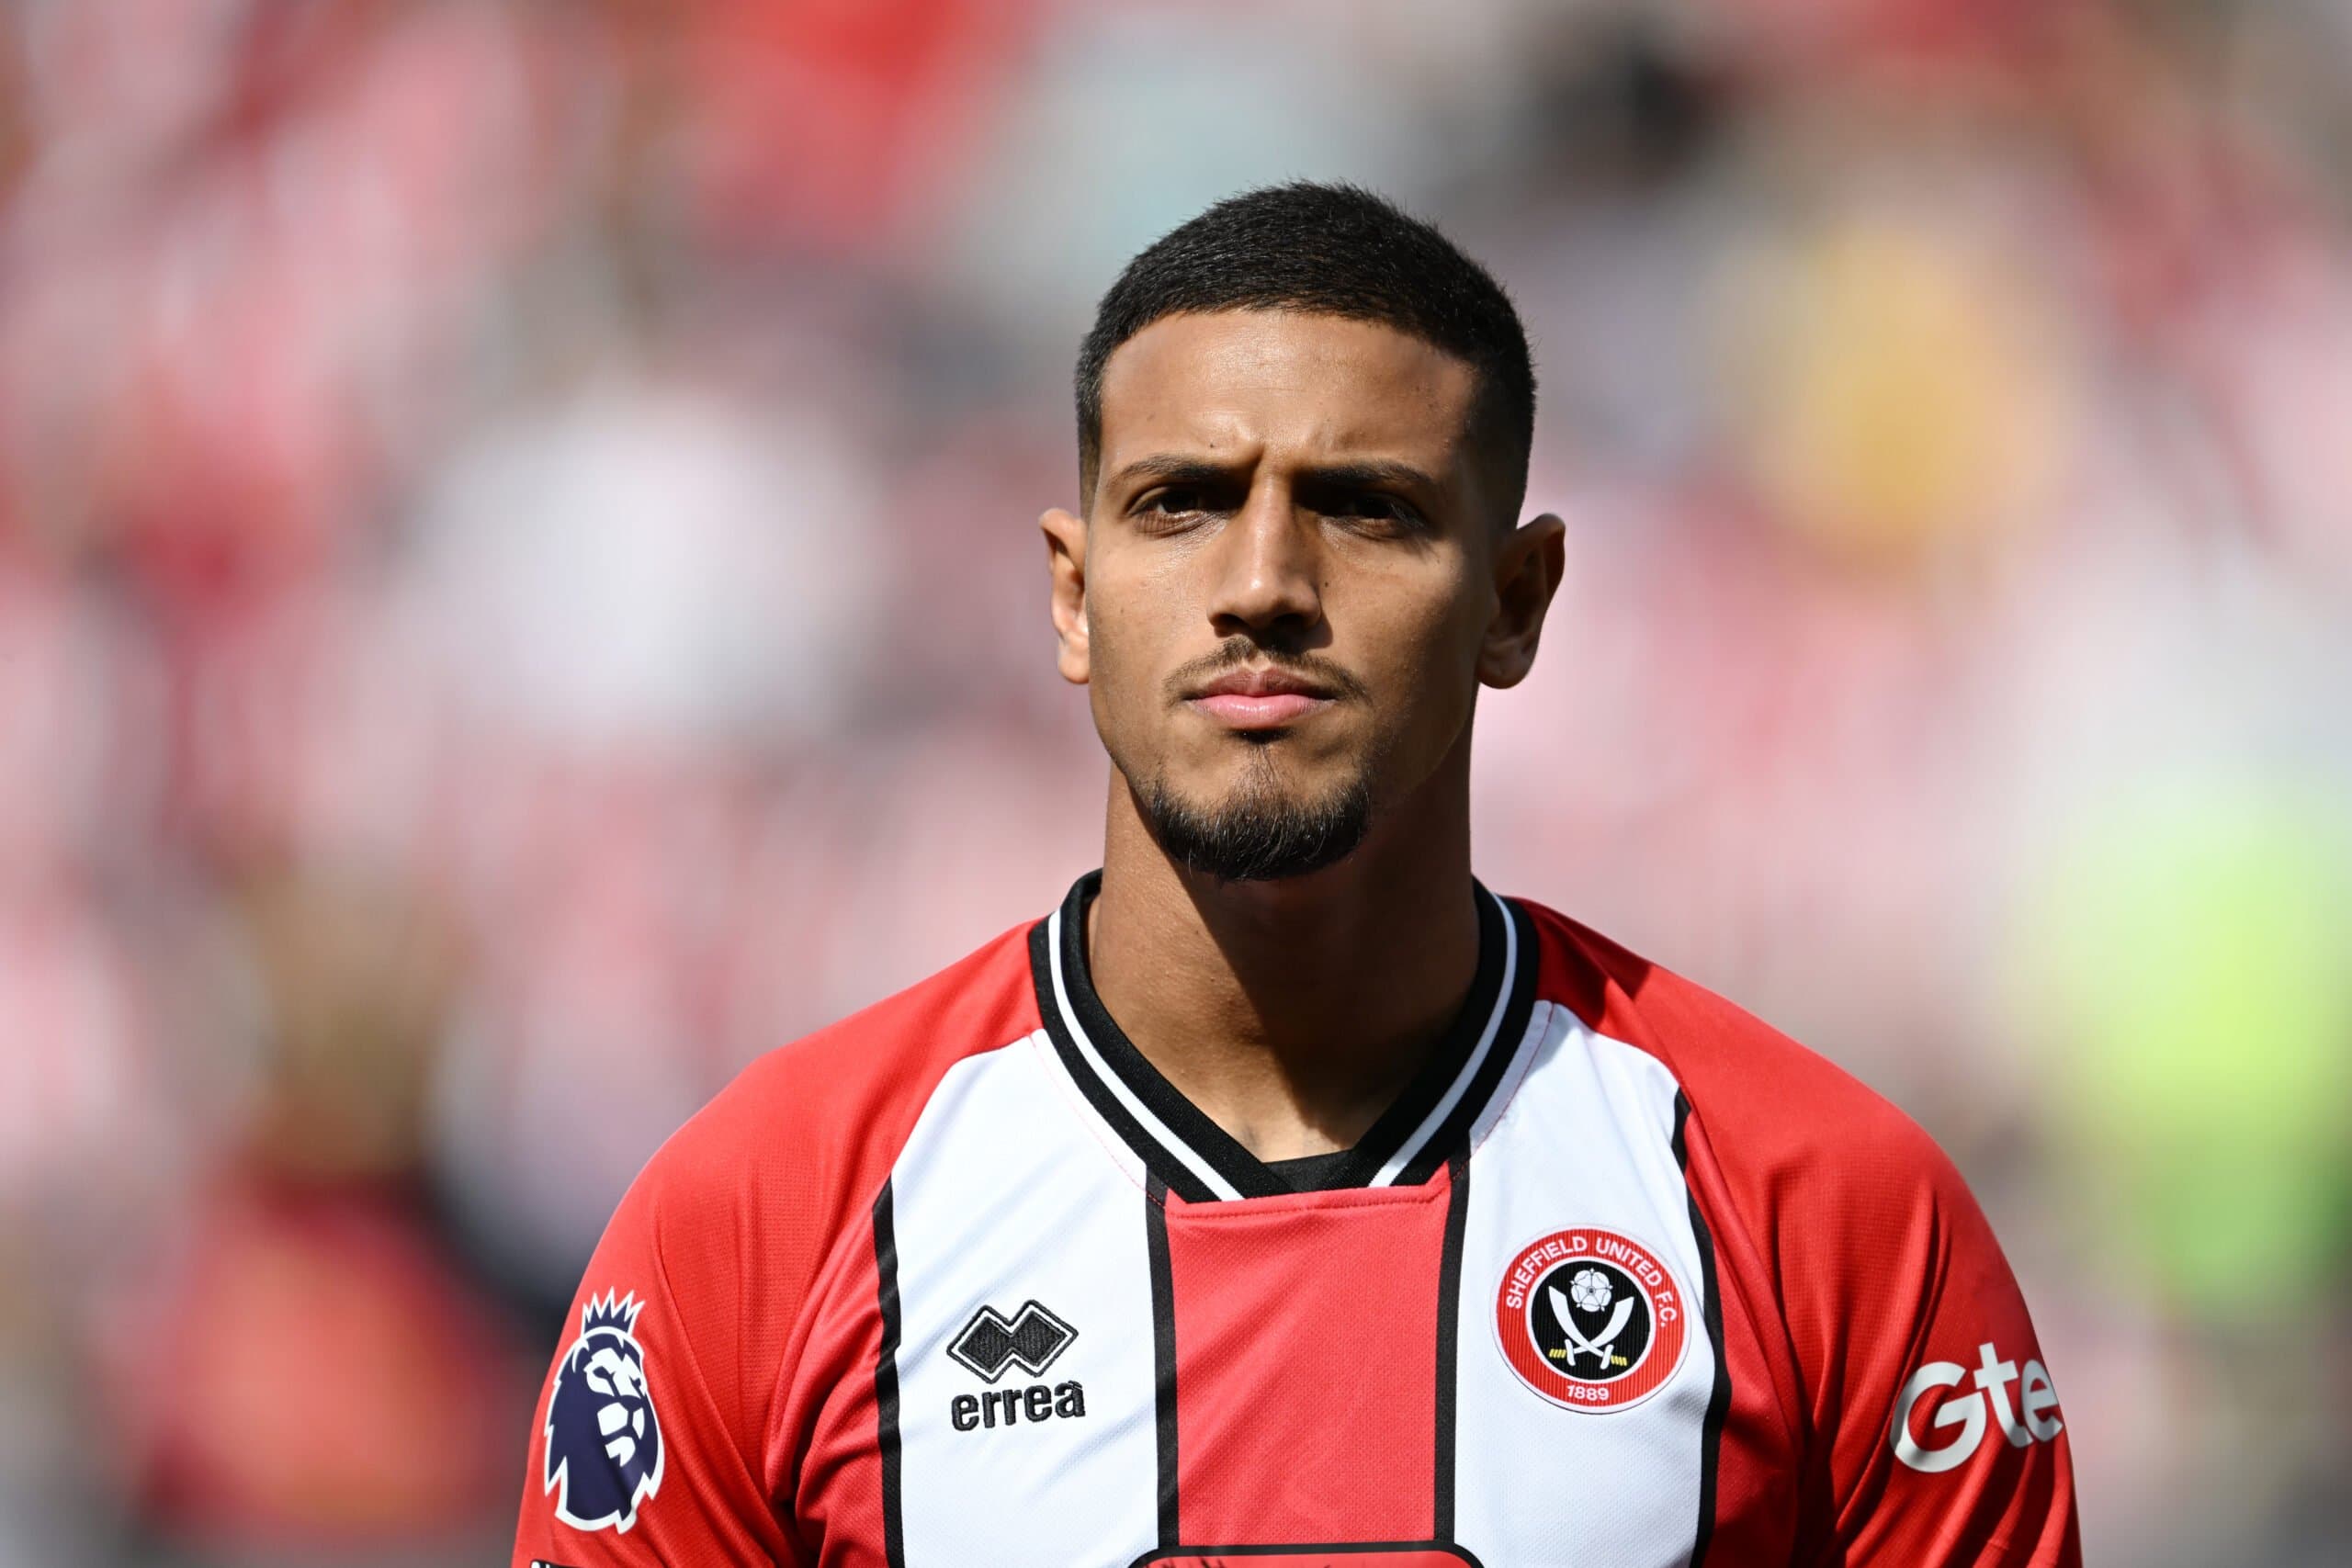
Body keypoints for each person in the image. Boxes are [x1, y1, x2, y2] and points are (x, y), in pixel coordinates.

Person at [511, 181, 2080, 1568]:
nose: (1262, 586)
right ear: (1073, 595)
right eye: (1181, 503)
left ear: (1516, 601)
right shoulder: (763, 1227)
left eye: (1366, 509)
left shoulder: (1830, 1219)